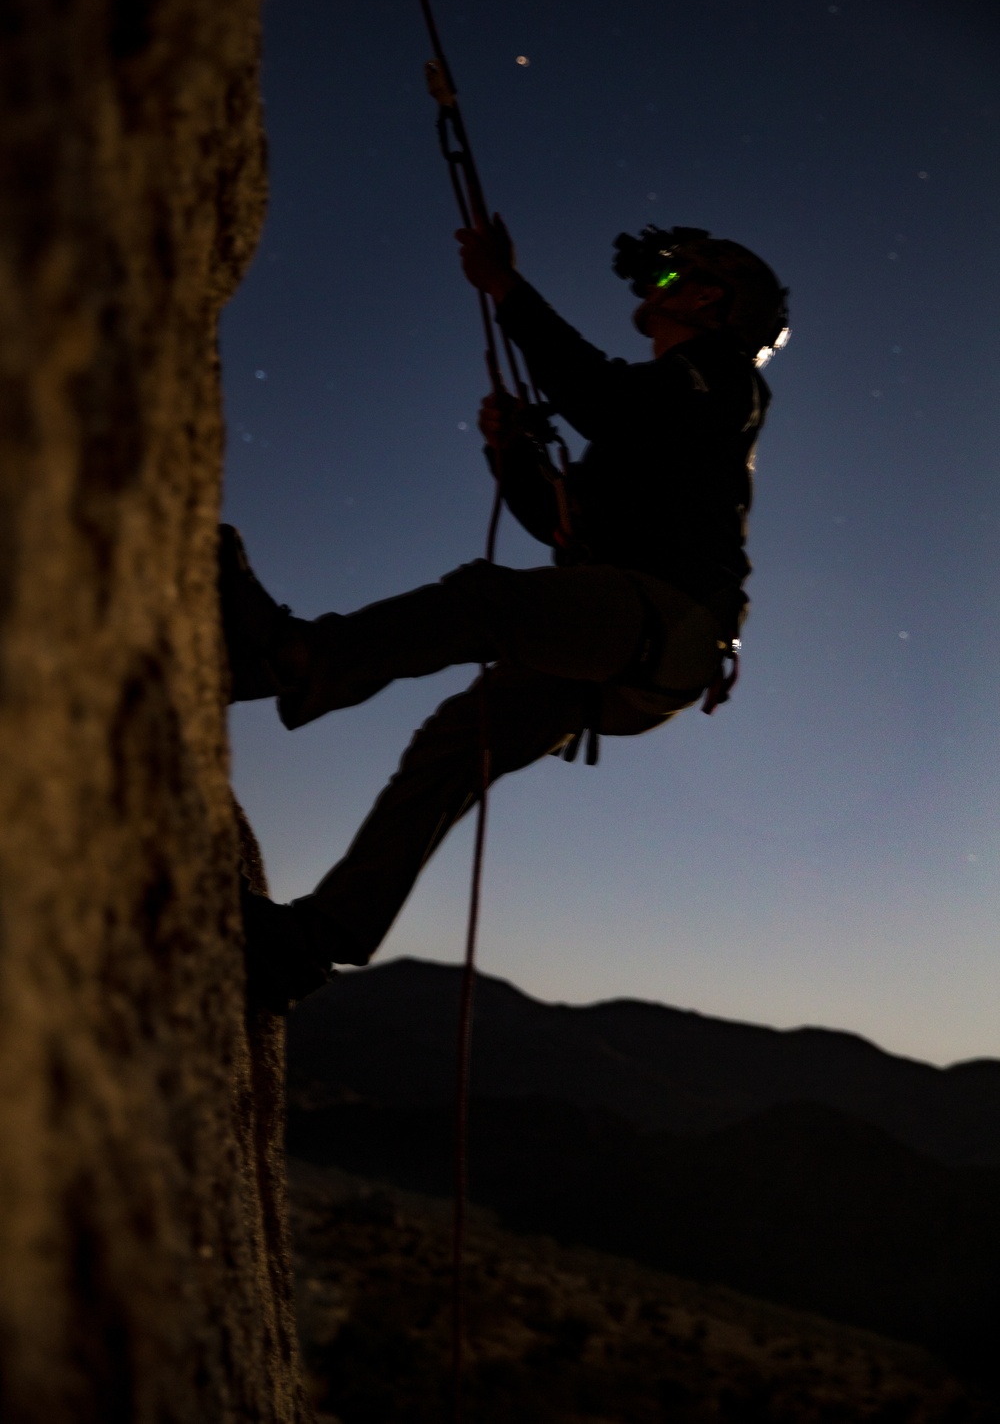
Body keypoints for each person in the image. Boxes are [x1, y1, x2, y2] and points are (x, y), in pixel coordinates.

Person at [221, 221, 789, 1012]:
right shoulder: (670, 418)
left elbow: (601, 400)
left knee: (485, 602)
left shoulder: (723, 379)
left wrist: (506, 289)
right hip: (642, 651)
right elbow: (561, 524)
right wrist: (514, 453)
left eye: (670, 282)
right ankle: (310, 945)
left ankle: (295, 659)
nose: (652, 293)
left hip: (662, 620)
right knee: (454, 746)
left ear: (709, 300)